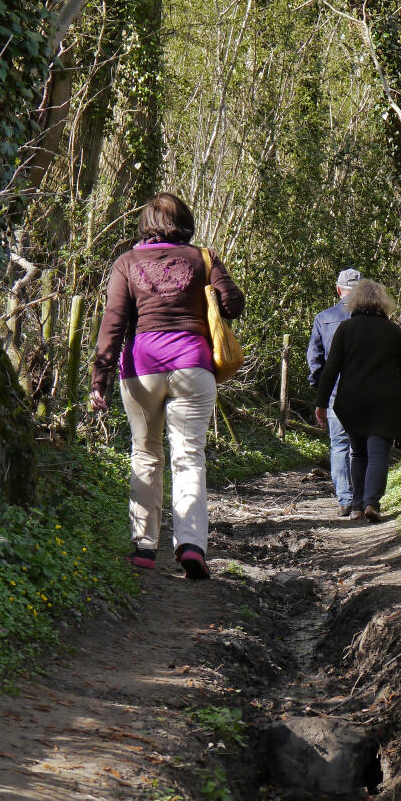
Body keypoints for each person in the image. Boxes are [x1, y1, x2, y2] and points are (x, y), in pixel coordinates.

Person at [90, 193, 245, 580]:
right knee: (189, 457)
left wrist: (100, 378)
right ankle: (191, 545)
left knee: (146, 454)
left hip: (141, 368)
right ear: (185, 222)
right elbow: (233, 304)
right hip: (193, 365)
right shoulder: (201, 258)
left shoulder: (126, 263)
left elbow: (113, 322)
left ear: (145, 223)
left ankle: (144, 546)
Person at [313, 278, 401, 523]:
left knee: (358, 453)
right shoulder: (393, 331)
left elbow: (331, 370)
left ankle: (359, 506)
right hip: (385, 402)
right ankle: (372, 502)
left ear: (354, 300)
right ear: (382, 302)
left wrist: (321, 403)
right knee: (378, 453)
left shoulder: (346, 329)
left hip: (352, 402)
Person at [307, 267, 360, 516]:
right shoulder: (374, 319)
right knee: (361, 444)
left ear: (339, 290)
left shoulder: (324, 318)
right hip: (367, 392)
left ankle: (345, 500)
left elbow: (315, 358)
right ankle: (361, 499)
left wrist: (320, 390)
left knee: (339, 444)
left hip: (335, 393)